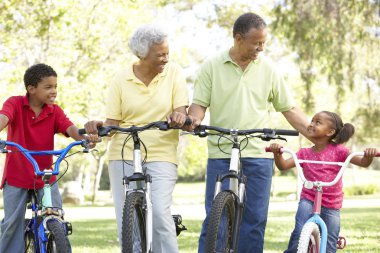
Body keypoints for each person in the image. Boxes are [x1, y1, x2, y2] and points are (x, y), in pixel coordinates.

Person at [186, 12, 312, 253]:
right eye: (257, 43)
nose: (261, 48)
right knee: (215, 220)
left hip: (259, 152)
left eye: (264, 43)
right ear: (238, 38)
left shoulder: (269, 69)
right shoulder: (212, 65)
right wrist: (194, 120)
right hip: (220, 151)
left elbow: (289, 108)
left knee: (253, 221)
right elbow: (199, 105)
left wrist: (311, 132)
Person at [84, 24, 188, 253]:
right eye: (160, 54)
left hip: (161, 151)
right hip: (123, 152)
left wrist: (180, 116)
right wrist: (98, 128)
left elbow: (181, 111)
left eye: (167, 53)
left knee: (160, 212)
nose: (165, 59)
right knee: (127, 219)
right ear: (142, 54)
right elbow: (112, 124)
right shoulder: (121, 79)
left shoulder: (174, 73)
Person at [0, 63, 96, 252]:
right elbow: (4, 117)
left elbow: (69, 127)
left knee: (57, 218)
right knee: (12, 223)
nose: (54, 91)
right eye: (48, 87)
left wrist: (84, 140)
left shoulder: (54, 110)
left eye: (55, 87)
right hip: (17, 175)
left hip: (45, 175)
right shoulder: (15, 103)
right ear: (31, 89)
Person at [269, 110, 377, 253]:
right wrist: (277, 154)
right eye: (312, 121)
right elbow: (283, 166)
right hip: (308, 198)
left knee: (330, 241)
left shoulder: (340, 151)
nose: (311, 124)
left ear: (330, 131)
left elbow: (363, 162)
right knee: (299, 232)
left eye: (317, 122)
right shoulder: (304, 153)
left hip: (331, 203)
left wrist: (368, 156)